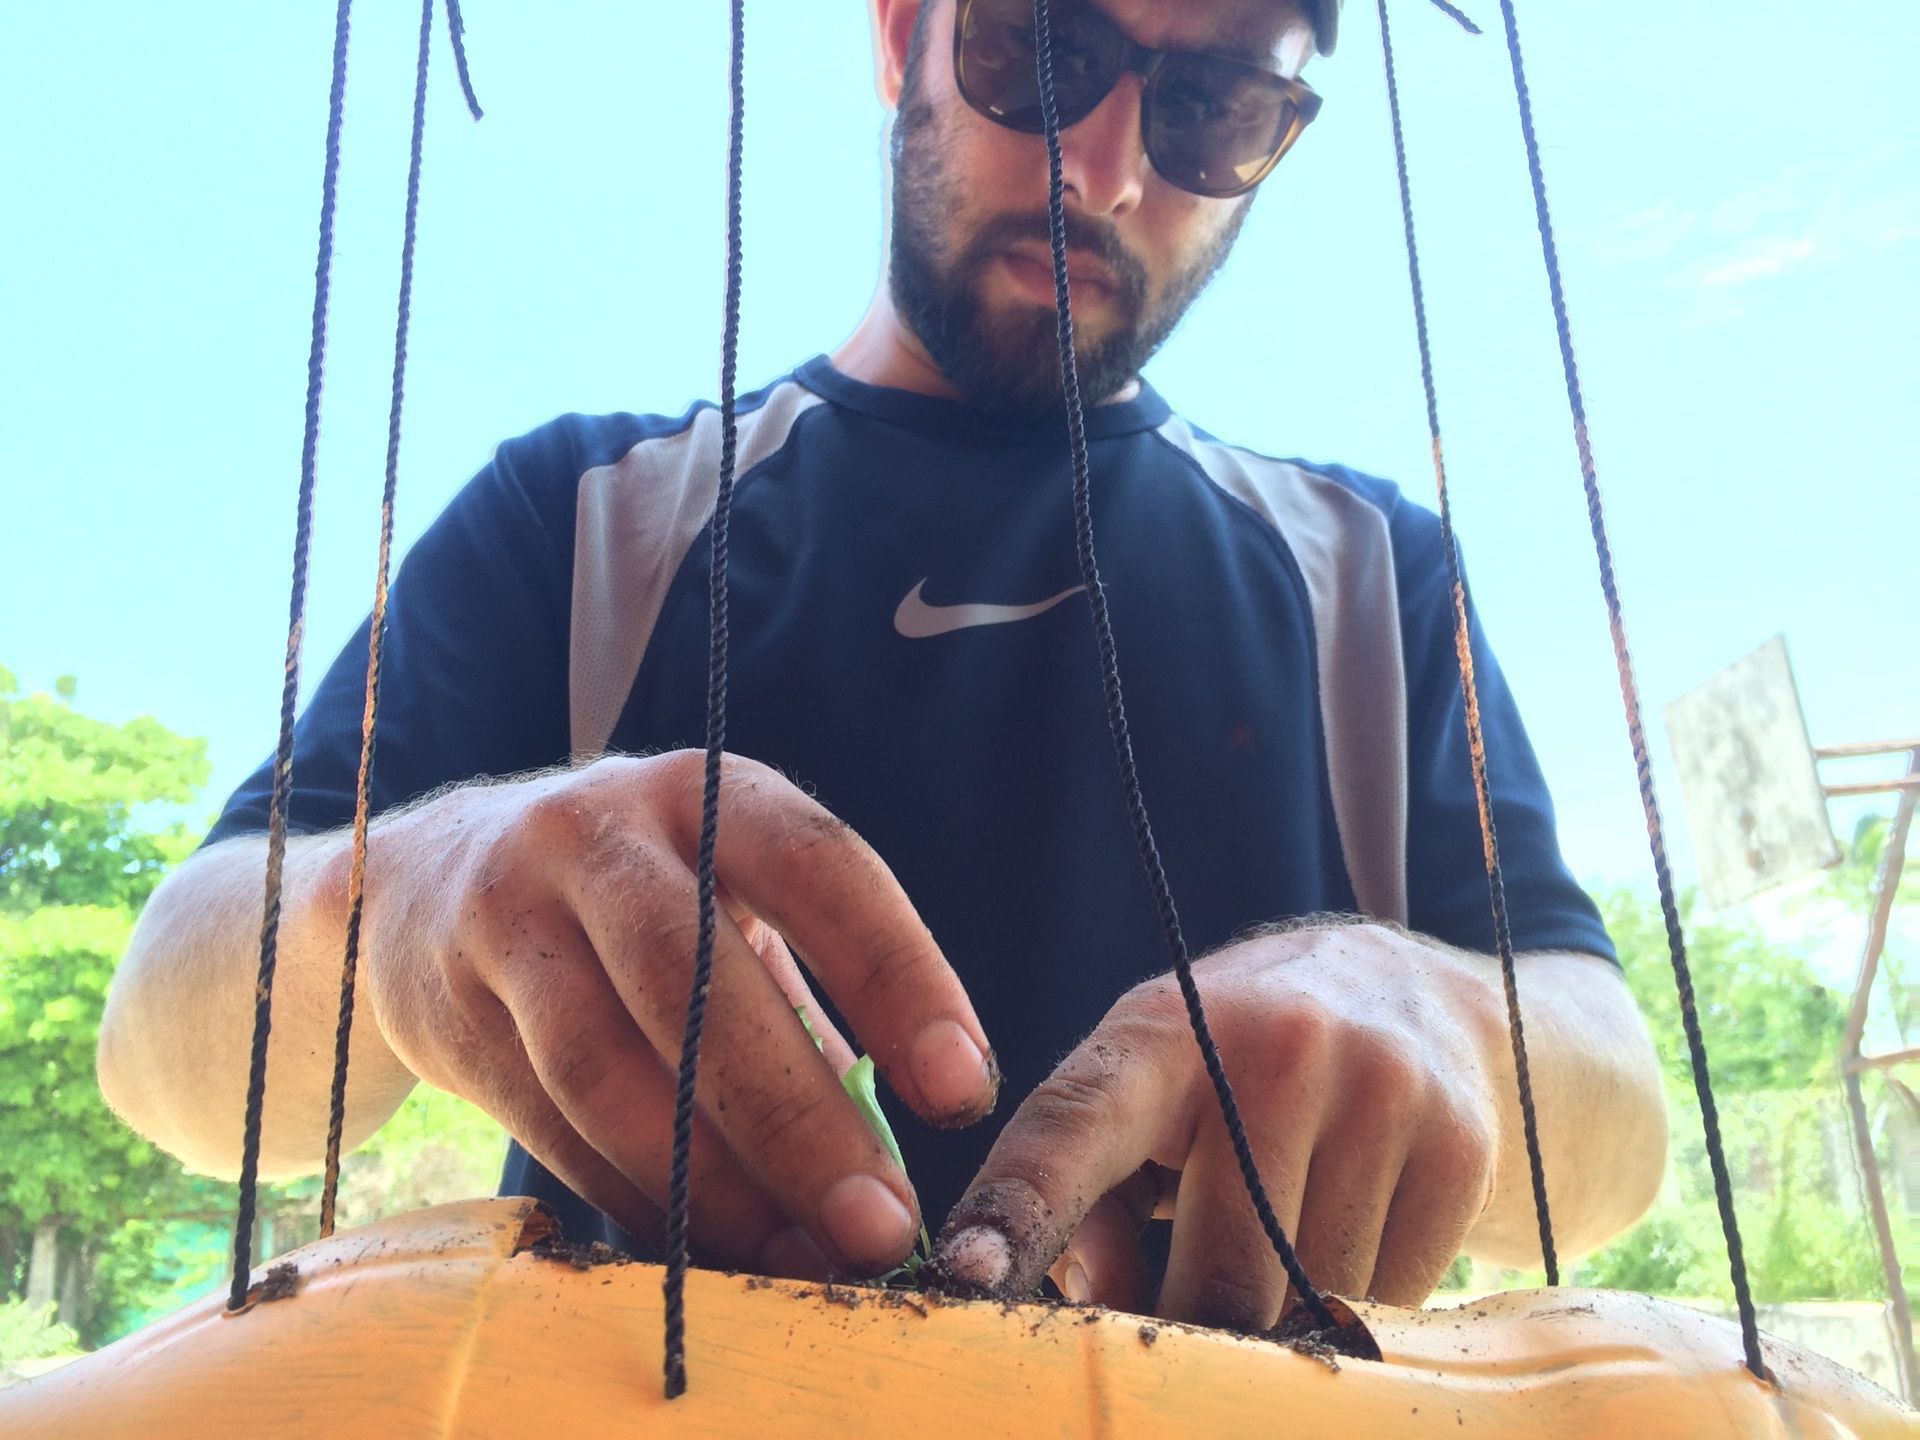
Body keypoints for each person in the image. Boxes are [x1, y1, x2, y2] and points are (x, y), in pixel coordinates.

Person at [98, 0, 1666, 1332]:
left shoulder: (1373, 578)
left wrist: (1428, 1011)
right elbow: (162, 1052)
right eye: (1041, 53)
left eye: (1216, 107)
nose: (1105, 170)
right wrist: (405, 904)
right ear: (904, 34)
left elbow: (1617, 1119)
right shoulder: (581, 523)